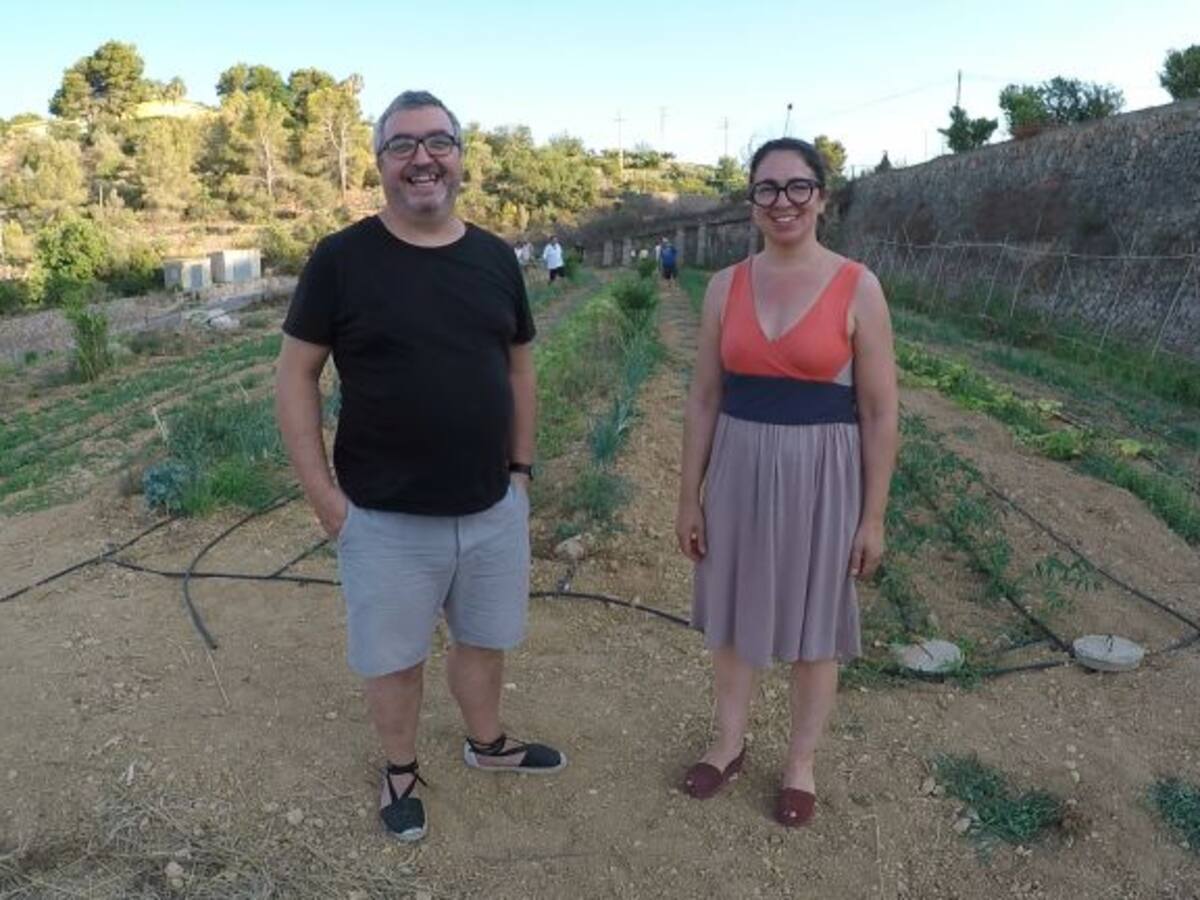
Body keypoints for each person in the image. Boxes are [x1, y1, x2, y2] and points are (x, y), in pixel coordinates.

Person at [275, 90, 565, 844]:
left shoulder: (496, 257)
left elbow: (521, 370)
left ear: (461, 158)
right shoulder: (341, 259)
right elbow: (295, 376)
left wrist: (522, 474)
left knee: (484, 640)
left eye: (438, 142)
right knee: (395, 658)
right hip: (384, 516)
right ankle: (400, 768)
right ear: (380, 165)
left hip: (491, 507)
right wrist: (325, 500)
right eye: (402, 145)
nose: (422, 158)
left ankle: (487, 744)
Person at [674, 137, 898, 828]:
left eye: (798, 187)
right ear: (752, 205)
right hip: (739, 466)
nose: (784, 202)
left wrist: (873, 516)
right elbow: (706, 398)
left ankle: (800, 763)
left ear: (822, 198)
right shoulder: (724, 286)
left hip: (824, 473)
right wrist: (691, 496)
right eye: (767, 190)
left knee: (814, 626)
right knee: (737, 616)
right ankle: (728, 744)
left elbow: (879, 408)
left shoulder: (858, 284)